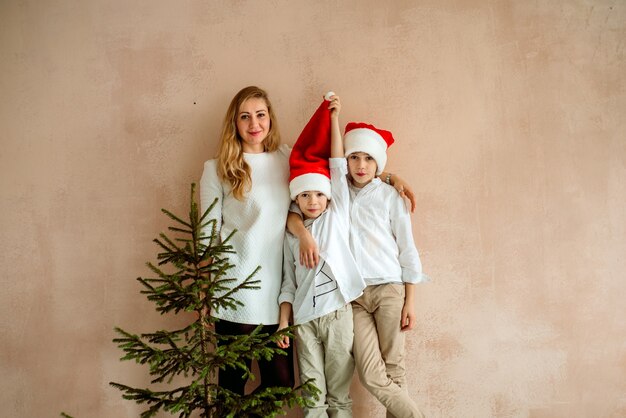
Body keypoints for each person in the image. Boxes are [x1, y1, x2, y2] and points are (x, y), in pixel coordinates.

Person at [199, 86, 295, 394]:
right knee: (231, 388)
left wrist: (388, 178)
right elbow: (207, 232)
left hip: (276, 291)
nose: (254, 124)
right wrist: (203, 291)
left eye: (260, 115)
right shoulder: (217, 169)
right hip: (234, 287)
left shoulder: (287, 158)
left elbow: (327, 181)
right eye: (245, 117)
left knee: (280, 385)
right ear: (235, 123)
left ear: (270, 118)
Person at [278, 93, 365, 417]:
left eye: (318, 193)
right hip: (303, 320)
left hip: (337, 315)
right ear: (295, 199)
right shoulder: (290, 233)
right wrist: (283, 324)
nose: (313, 200)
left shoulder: (336, 213)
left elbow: (337, 165)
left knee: (339, 395)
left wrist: (333, 118)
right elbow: (287, 282)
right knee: (313, 397)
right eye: (304, 194)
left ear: (328, 196)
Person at [342, 122, 428, 418]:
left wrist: (410, 301)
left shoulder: (391, 197)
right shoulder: (336, 192)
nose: (361, 165)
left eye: (368, 158)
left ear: (377, 162)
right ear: (346, 159)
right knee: (369, 373)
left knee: (395, 367)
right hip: (354, 295)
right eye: (354, 157)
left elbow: (408, 249)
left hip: (390, 289)